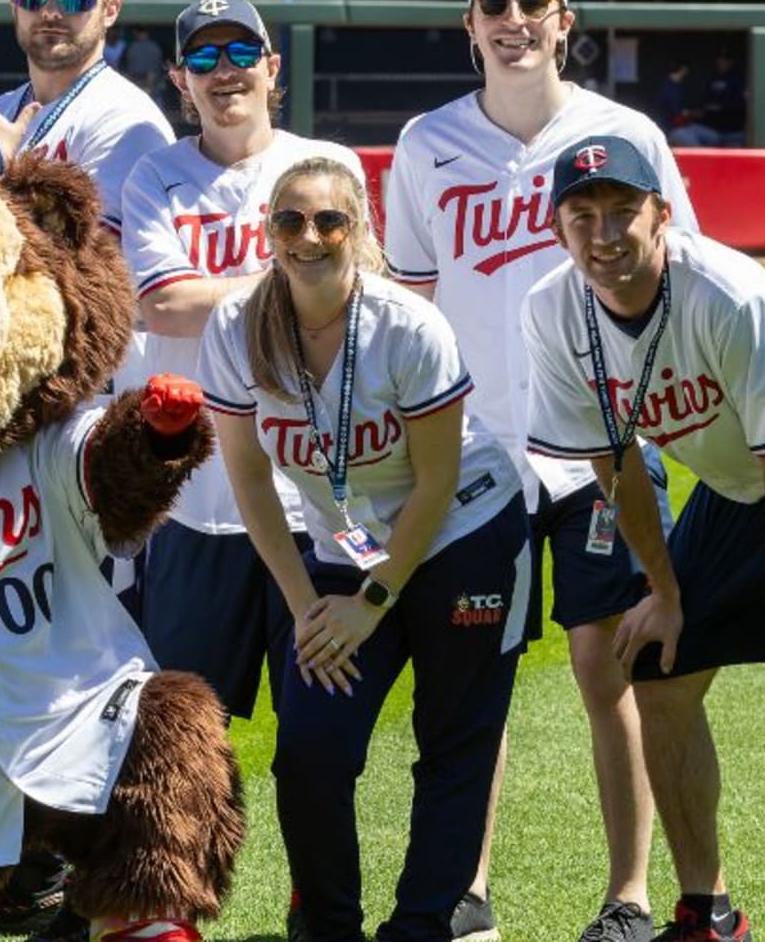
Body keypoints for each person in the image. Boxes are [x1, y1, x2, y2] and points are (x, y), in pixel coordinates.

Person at [525, 136, 765, 942]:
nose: (604, 235)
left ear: (662, 215)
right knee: (659, 670)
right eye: (582, 216)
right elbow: (617, 463)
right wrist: (664, 595)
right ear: (557, 228)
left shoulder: (726, 295)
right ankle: (708, 911)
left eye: (624, 212)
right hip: (742, 484)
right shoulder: (552, 312)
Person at [386, 0, 697, 942]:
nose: (513, 18)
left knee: (611, 672)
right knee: (475, 682)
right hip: (477, 460)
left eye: (533, 0)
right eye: (493, 2)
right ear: (467, 24)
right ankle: (468, 886)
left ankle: (630, 895)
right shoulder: (426, 143)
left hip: (603, 451)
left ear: (566, 22)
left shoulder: (625, 133)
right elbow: (412, 308)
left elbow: (679, 282)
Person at [200, 155, 530, 942]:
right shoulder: (236, 324)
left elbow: (438, 480)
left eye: (329, 220)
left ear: (362, 231)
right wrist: (309, 606)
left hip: (462, 532)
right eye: (290, 220)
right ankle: (327, 926)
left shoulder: (406, 325)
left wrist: (373, 603)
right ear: (268, 232)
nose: (308, 237)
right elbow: (250, 481)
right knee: (311, 749)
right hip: (341, 549)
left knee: (455, 740)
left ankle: (419, 927)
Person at [0, 0, 176, 937]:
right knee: (3, 641)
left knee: (76, 657)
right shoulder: (0, 111)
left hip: (77, 423)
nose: (51, 9)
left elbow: (84, 273)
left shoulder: (125, 120)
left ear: (109, 11)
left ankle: (66, 867)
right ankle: (22, 858)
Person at [121, 0, 364, 714]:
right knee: (183, 730)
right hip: (196, 500)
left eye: (239, 54)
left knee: (319, 739)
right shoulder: (155, 176)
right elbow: (162, 303)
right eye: (203, 56)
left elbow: (356, 298)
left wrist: (222, 296)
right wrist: (301, 276)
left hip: (314, 493)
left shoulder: (327, 167)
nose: (223, 71)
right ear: (178, 78)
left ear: (272, 67)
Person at [0, 0, 175, 240]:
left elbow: (93, 260)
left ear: (110, 11)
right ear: (14, 6)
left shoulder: (129, 123)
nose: (50, 11)